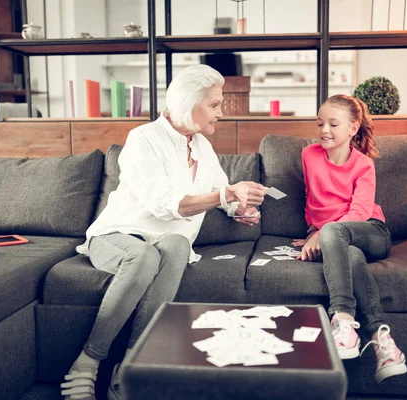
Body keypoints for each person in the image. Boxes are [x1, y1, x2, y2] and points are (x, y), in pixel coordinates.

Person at [60, 64, 267, 400]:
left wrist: (238, 208)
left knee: (176, 245)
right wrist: (227, 195)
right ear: (189, 104)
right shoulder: (144, 139)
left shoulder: (200, 146)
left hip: (162, 243)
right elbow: (165, 204)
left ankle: (131, 367)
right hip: (117, 236)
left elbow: (219, 189)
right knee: (143, 256)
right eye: (215, 104)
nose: (222, 112)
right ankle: (87, 362)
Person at [291, 94, 407, 383]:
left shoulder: (363, 164)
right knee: (351, 256)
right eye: (320, 123)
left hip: (371, 232)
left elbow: (359, 211)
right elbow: (312, 200)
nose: (324, 130)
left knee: (333, 231)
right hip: (341, 241)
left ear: (353, 128)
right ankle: (383, 340)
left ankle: (341, 317)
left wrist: (321, 233)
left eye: (333, 124)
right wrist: (312, 231)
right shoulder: (309, 155)